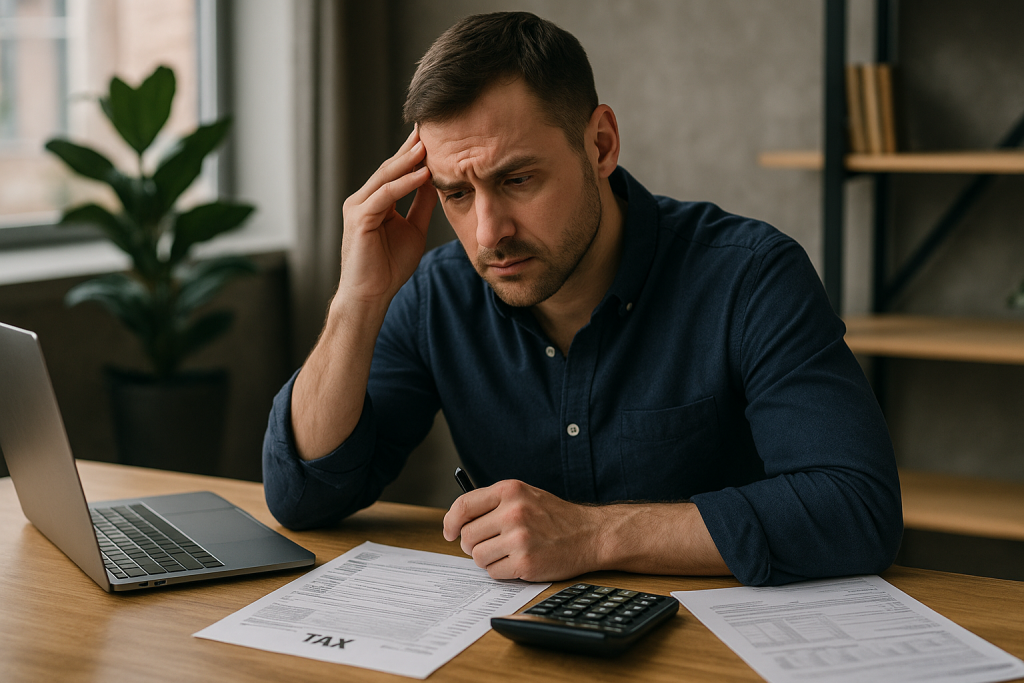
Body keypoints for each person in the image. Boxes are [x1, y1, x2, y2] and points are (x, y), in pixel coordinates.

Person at [263, 11, 902, 587]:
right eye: (457, 193)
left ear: (600, 145)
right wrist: (358, 297)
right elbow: (303, 496)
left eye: (517, 179)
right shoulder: (438, 295)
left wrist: (594, 534)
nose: (489, 234)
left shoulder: (751, 277)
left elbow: (855, 507)